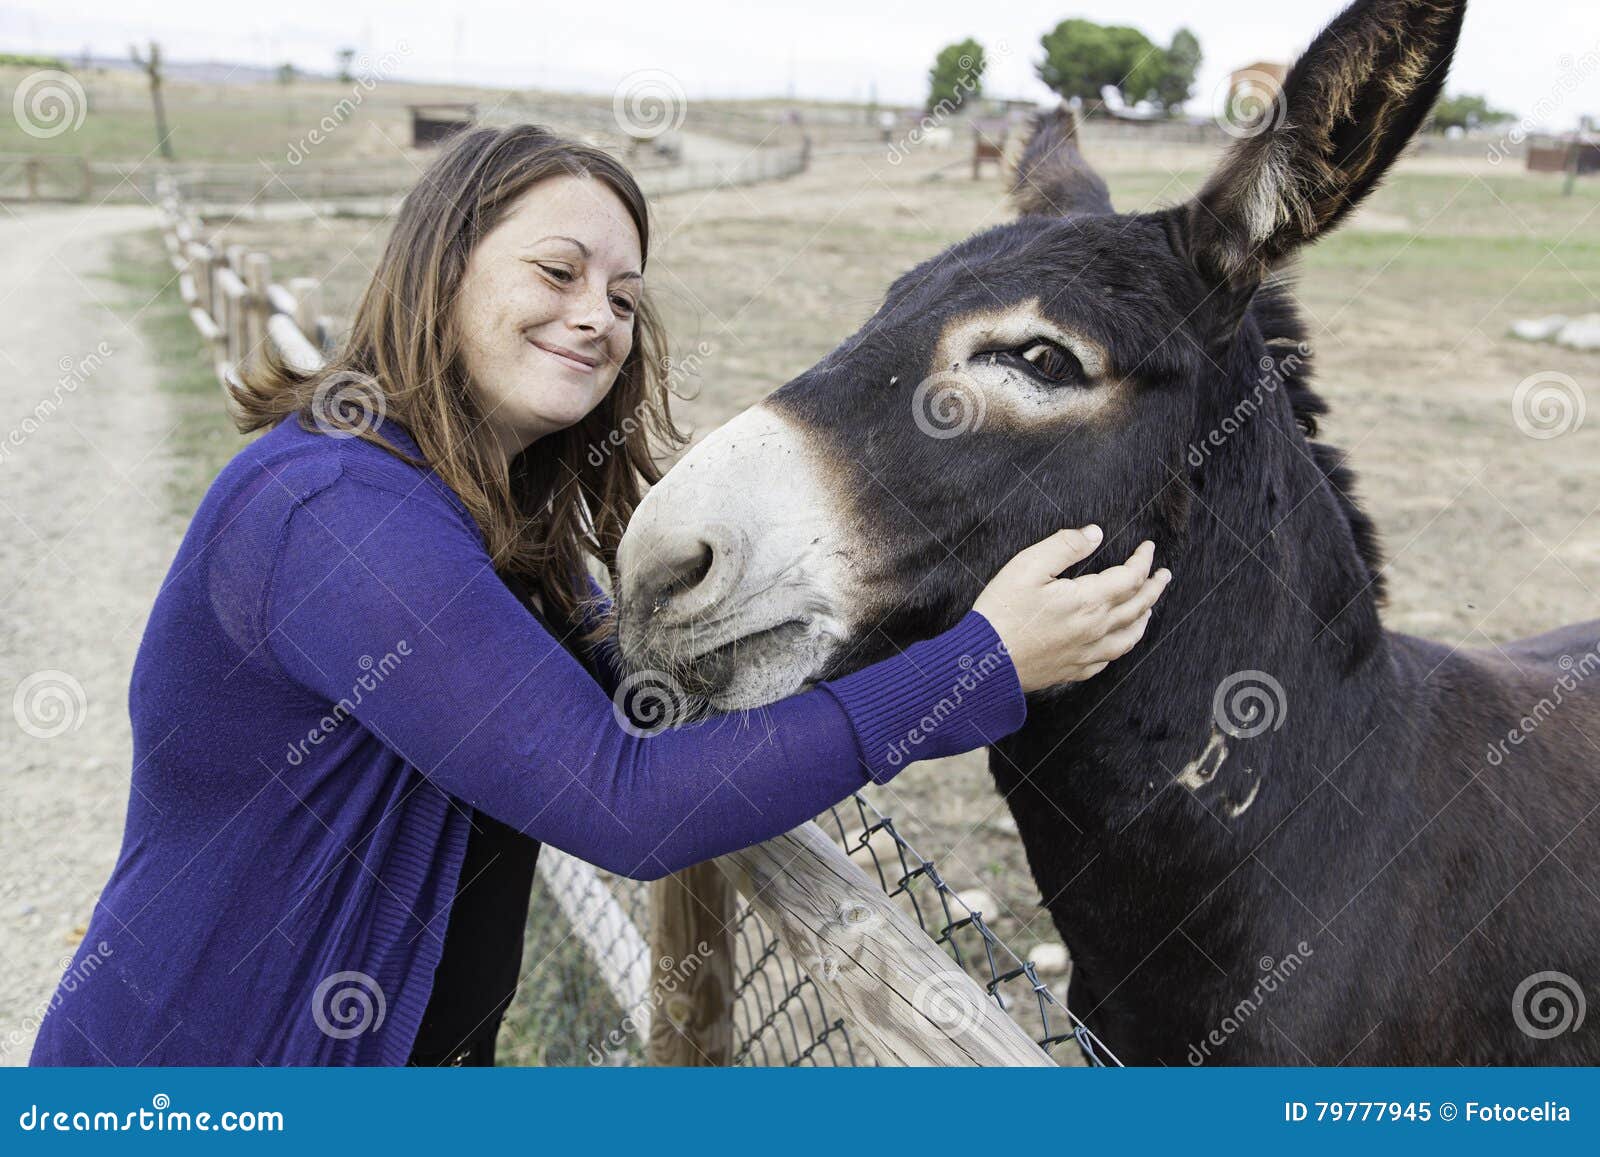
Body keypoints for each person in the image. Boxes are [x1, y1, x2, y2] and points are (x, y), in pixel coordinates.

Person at [30, 125, 1169, 1067]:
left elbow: (644, 697)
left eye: (624, 295)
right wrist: (977, 668)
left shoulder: (471, 512)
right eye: (557, 271)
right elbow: (627, 801)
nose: (598, 317)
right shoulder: (334, 511)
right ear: (443, 265)